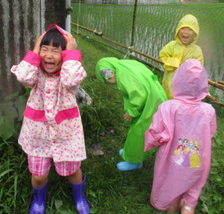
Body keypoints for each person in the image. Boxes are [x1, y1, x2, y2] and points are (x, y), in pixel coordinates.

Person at [11, 24, 90, 214]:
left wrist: (71, 53)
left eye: (56, 51)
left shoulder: (70, 73)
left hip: (66, 135)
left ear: (67, 55)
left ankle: (79, 196)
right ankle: (38, 201)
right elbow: (22, 76)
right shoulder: (35, 73)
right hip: (37, 135)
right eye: (44, 49)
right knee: (38, 176)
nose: (48, 55)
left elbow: (72, 81)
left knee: (72, 171)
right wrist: (35, 49)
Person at [144, 59, 217, 214]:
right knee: (192, 183)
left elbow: (155, 131)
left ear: (177, 82)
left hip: (172, 156)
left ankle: (171, 205)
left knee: (171, 179)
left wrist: (150, 142)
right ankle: (189, 205)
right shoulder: (208, 110)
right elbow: (210, 133)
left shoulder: (168, 107)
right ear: (203, 85)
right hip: (197, 157)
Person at [95, 57, 167, 171]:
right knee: (138, 130)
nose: (109, 77)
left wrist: (132, 111)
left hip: (151, 104)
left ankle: (134, 161)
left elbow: (139, 95)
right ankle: (130, 152)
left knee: (139, 133)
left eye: (108, 74)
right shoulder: (125, 65)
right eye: (105, 77)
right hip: (155, 98)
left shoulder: (123, 75)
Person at [159, 14, 204, 99]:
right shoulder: (171, 45)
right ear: (177, 30)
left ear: (195, 33)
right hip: (169, 82)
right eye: (183, 28)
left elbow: (198, 68)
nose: (186, 32)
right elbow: (163, 55)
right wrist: (175, 62)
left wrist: (187, 68)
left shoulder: (196, 50)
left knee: (182, 104)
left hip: (186, 85)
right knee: (167, 102)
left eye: (190, 29)